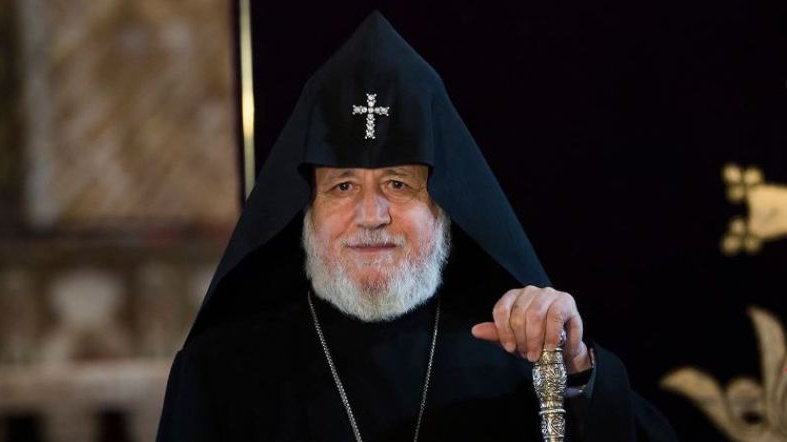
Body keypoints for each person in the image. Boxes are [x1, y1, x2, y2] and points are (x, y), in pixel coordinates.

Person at [157, 11, 677, 441]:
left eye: (398, 184)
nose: (371, 215)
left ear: (445, 206)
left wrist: (575, 369)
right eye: (343, 186)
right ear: (306, 209)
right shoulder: (220, 374)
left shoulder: (517, 358)